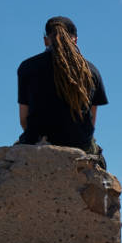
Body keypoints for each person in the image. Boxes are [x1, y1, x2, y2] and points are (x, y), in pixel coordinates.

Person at [17, 16, 108, 154]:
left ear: (46, 40)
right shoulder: (91, 71)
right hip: (79, 145)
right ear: (76, 40)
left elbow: (24, 120)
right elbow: (91, 122)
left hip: (37, 140)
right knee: (99, 157)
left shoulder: (27, 67)